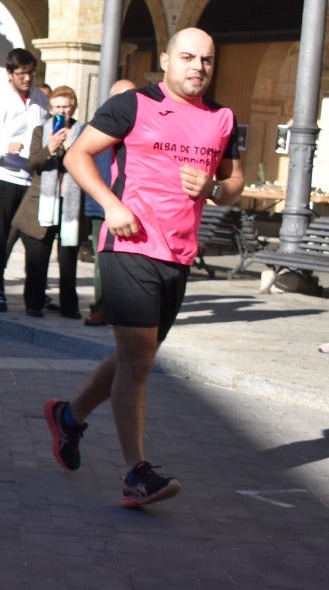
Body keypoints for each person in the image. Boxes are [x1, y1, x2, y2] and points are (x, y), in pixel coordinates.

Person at [44, 29, 240, 507]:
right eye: (189, 57)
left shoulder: (223, 118)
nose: (198, 67)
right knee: (138, 361)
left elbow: (234, 183)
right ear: (167, 60)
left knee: (138, 356)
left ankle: (69, 417)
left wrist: (213, 188)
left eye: (208, 60)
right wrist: (110, 205)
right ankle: (136, 474)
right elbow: (77, 155)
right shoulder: (134, 105)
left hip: (178, 254)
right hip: (129, 246)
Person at [0, 48, 48, 311]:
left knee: (32, 236)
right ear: (10, 74)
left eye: (30, 73)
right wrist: (5, 147)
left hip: (28, 177)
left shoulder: (40, 98)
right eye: (21, 74)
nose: (27, 79)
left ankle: (36, 290)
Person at [14, 86, 85, 318]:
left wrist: (69, 150)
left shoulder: (82, 132)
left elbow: (88, 163)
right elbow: (34, 162)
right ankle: (34, 303)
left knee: (68, 259)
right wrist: (51, 148)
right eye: (56, 107)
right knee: (38, 258)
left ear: (73, 108)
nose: (61, 112)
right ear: (49, 108)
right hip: (42, 202)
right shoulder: (40, 131)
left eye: (65, 107)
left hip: (71, 202)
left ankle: (69, 306)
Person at [82, 78, 137, 326]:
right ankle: (102, 307)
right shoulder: (97, 127)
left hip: (133, 206)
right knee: (103, 261)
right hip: (102, 205)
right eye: (124, 96)